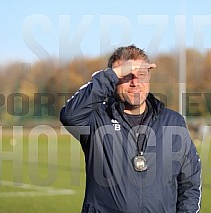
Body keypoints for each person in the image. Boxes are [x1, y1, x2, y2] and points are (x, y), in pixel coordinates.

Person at [60, 45, 202, 213]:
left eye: (141, 74)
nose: (135, 82)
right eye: (126, 75)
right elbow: (69, 115)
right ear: (114, 79)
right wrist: (112, 74)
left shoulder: (173, 121)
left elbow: (190, 181)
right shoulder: (97, 119)